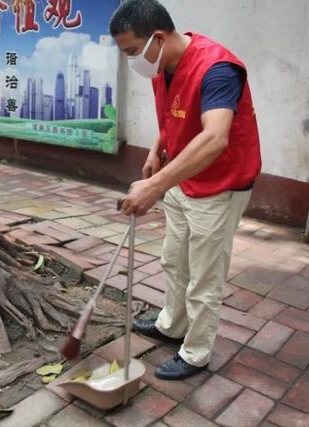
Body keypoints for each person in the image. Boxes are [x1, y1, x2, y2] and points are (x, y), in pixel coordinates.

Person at [109, 0, 261, 380]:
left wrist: (155, 185)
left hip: (220, 185)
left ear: (157, 38)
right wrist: (157, 149)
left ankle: (195, 352)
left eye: (131, 51)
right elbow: (176, 111)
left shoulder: (218, 69)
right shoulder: (163, 64)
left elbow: (215, 137)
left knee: (204, 276)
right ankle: (171, 324)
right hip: (182, 177)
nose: (131, 61)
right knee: (174, 259)